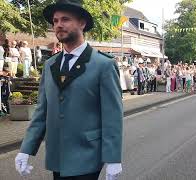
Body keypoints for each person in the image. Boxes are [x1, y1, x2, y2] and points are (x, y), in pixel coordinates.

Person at [14, 1, 123, 180]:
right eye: (55, 21)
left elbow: (112, 115)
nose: (58, 25)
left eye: (65, 19)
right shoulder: (50, 65)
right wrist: (26, 149)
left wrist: (113, 158)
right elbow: (42, 112)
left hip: (88, 155)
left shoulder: (103, 65)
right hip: (58, 155)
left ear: (82, 23)